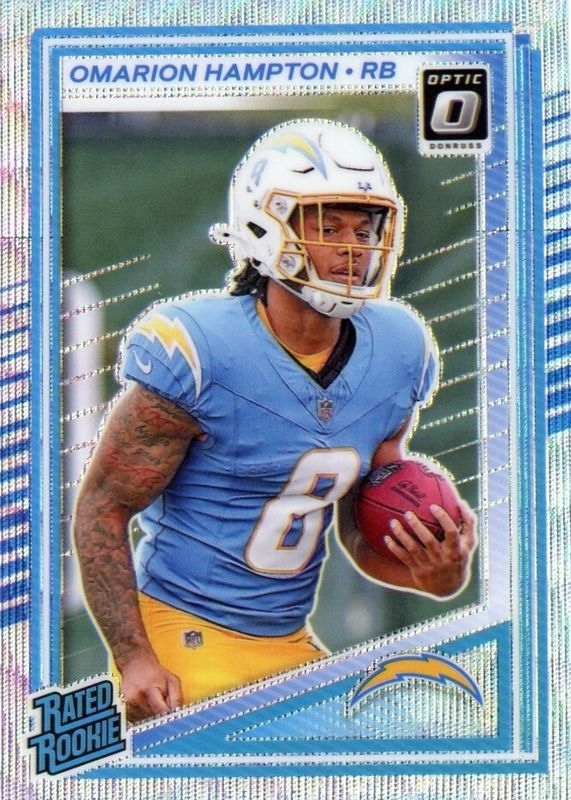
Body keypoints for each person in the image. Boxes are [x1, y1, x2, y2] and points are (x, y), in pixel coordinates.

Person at [73, 118, 477, 723]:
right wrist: (133, 657)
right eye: (329, 228)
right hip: (181, 629)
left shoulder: (398, 350)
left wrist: (437, 572)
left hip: (288, 641)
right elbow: (101, 507)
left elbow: (359, 530)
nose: (352, 249)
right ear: (266, 226)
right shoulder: (202, 350)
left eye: (364, 229)